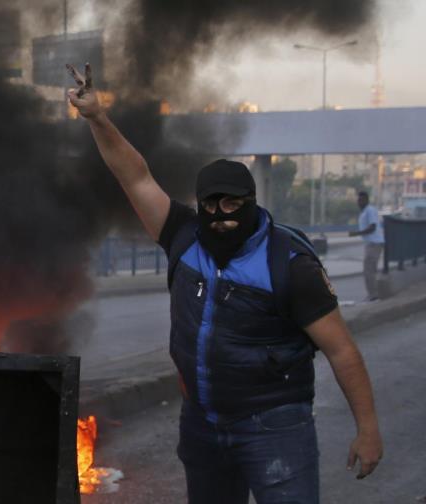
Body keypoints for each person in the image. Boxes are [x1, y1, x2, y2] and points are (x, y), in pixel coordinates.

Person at [66, 63, 382, 503]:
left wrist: (367, 431)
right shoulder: (183, 234)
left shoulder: (288, 262)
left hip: (275, 426)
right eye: (211, 205)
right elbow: (134, 175)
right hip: (203, 423)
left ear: (252, 202)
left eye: (233, 203)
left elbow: (342, 350)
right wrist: (98, 118)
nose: (222, 215)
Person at [349, 191, 384, 302]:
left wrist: (356, 233)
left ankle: (373, 296)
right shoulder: (365, 212)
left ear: (366, 200)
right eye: (358, 200)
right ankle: (372, 295)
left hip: (374, 244)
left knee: (369, 270)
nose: (358, 202)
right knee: (369, 270)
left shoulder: (370, 210)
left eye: (361, 200)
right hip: (371, 244)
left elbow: (372, 227)